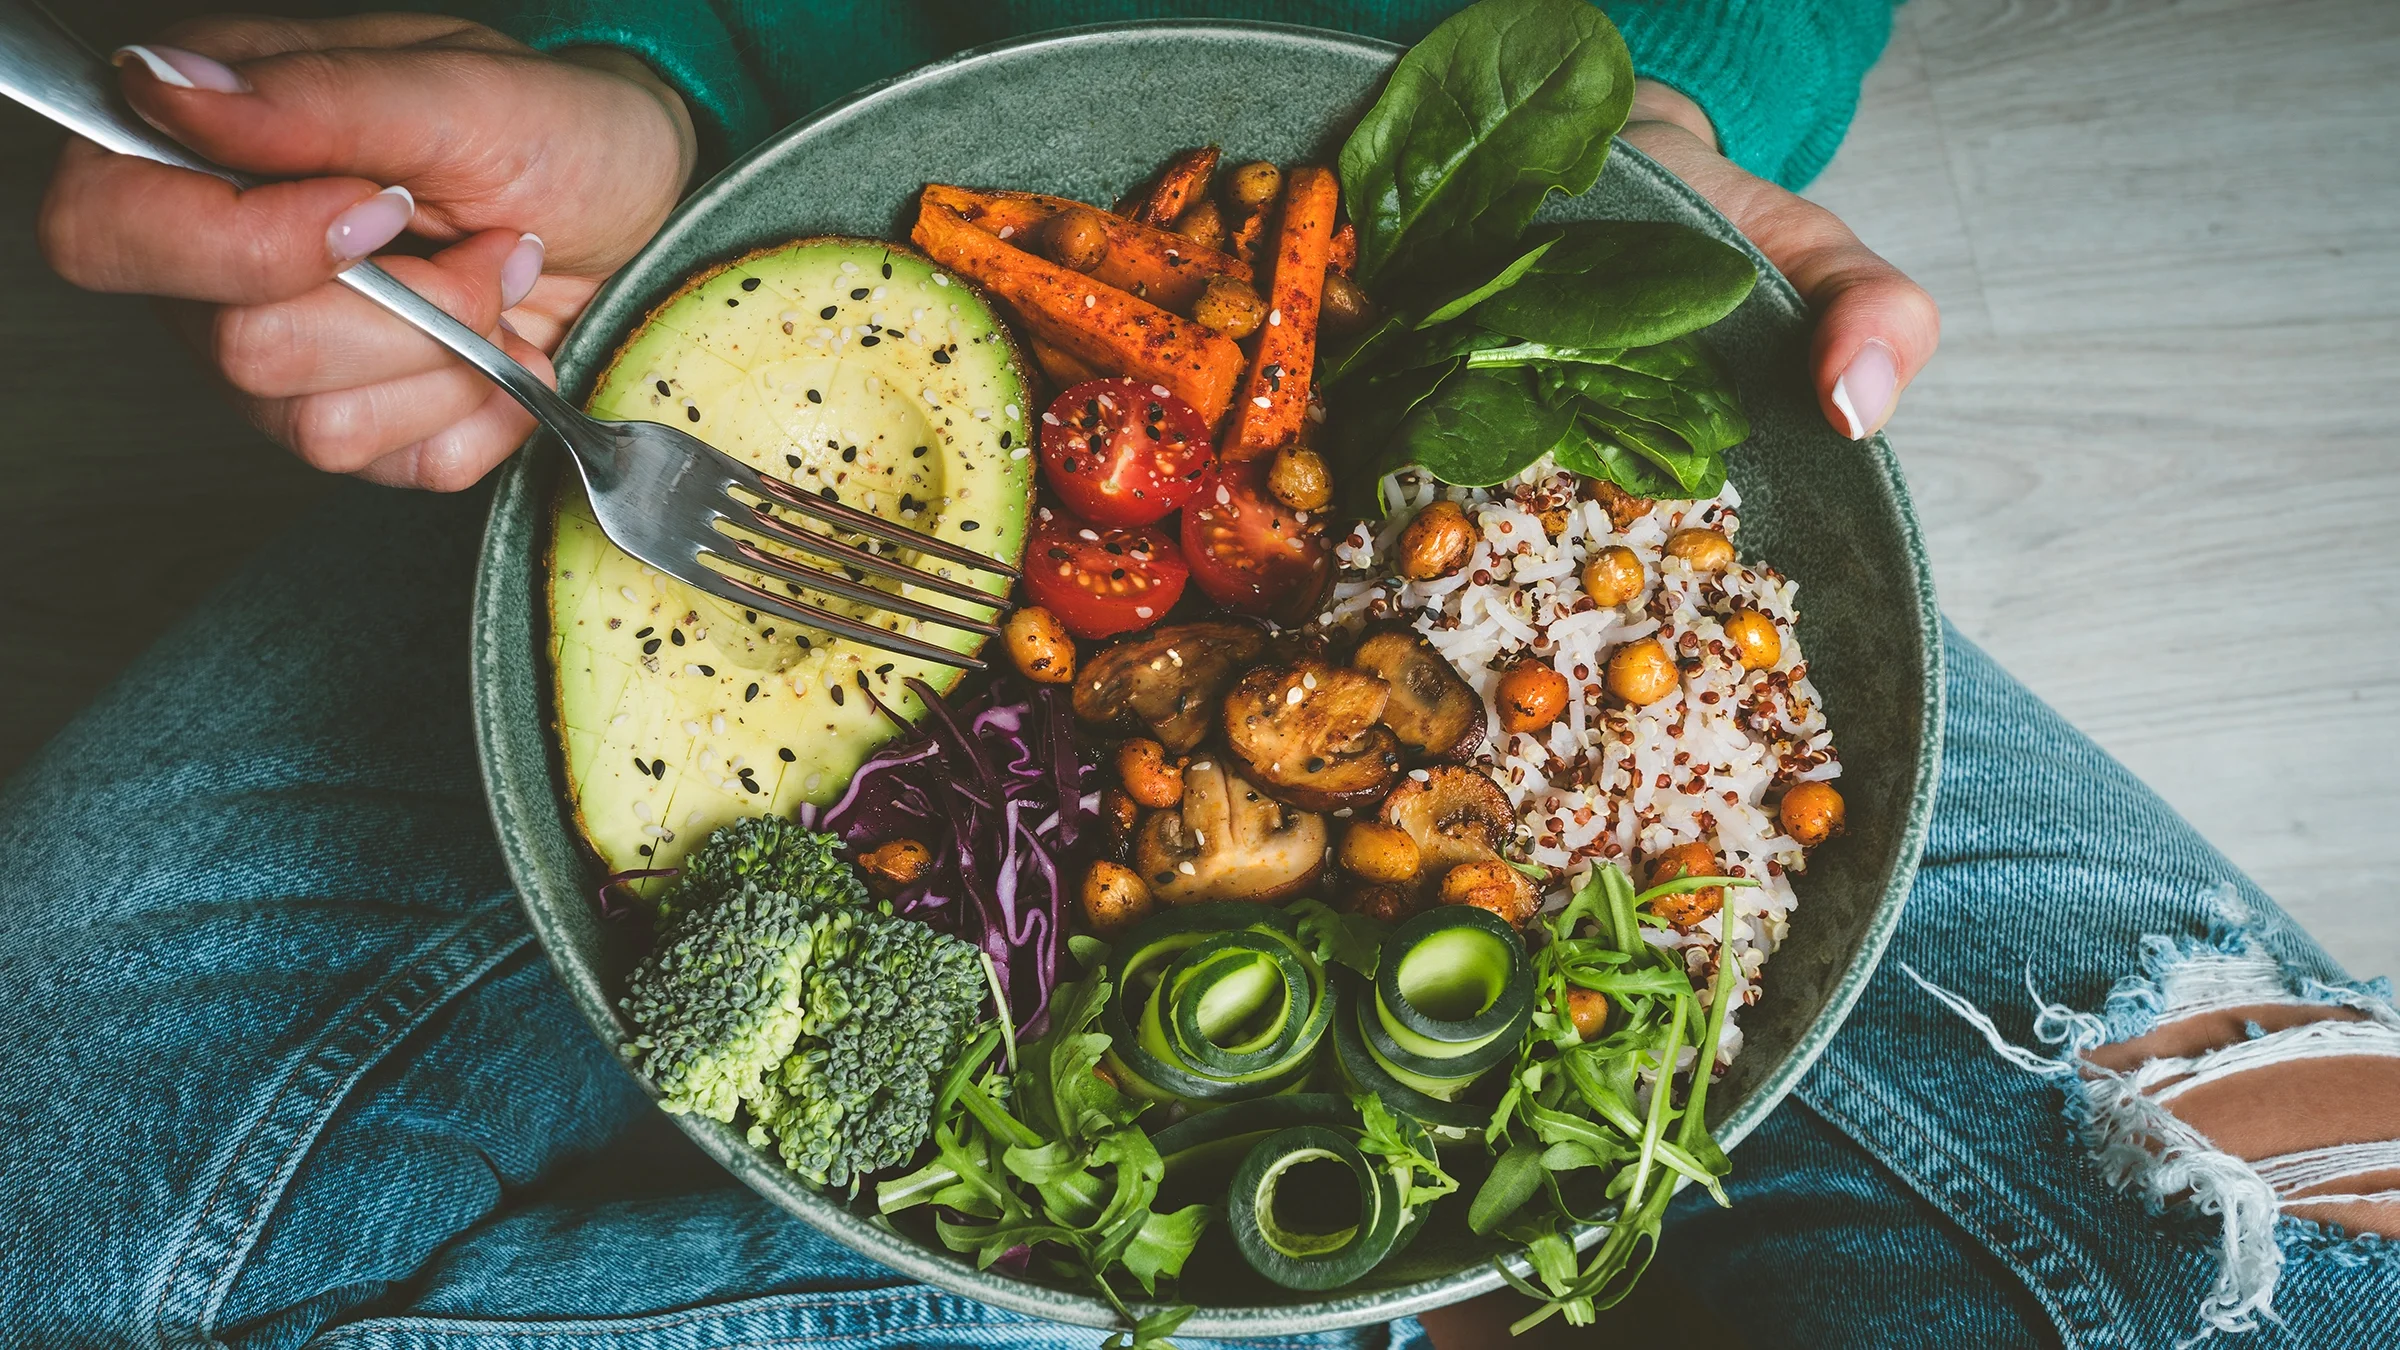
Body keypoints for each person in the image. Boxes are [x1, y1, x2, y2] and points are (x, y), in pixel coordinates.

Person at [7, 4, 2394, 1347]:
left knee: (2287, 1277)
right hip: (729, 301)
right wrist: (636, 102)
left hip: (1436, 398)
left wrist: (1647, 111)